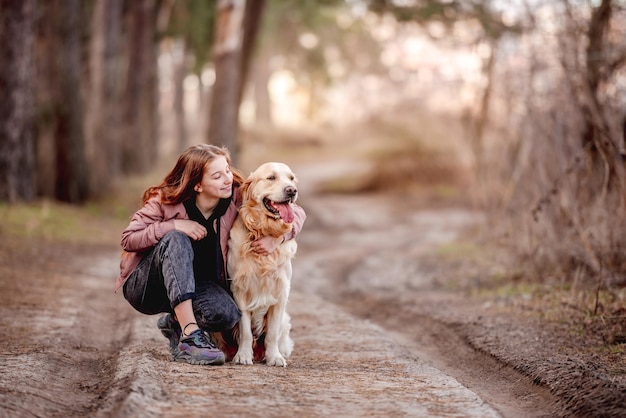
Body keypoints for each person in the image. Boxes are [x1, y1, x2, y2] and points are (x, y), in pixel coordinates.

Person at [114, 144, 306, 366]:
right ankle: (190, 336)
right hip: (149, 286)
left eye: (226, 169)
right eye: (217, 176)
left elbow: (297, 212)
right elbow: (128, 238)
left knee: (225, 315)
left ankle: (176, 321)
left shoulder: (235, 195)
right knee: (176, 239)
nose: (227, 178)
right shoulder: (164, 199)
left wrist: (277, 239)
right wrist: (175, 224)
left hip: (198, 284)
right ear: (197, 185)